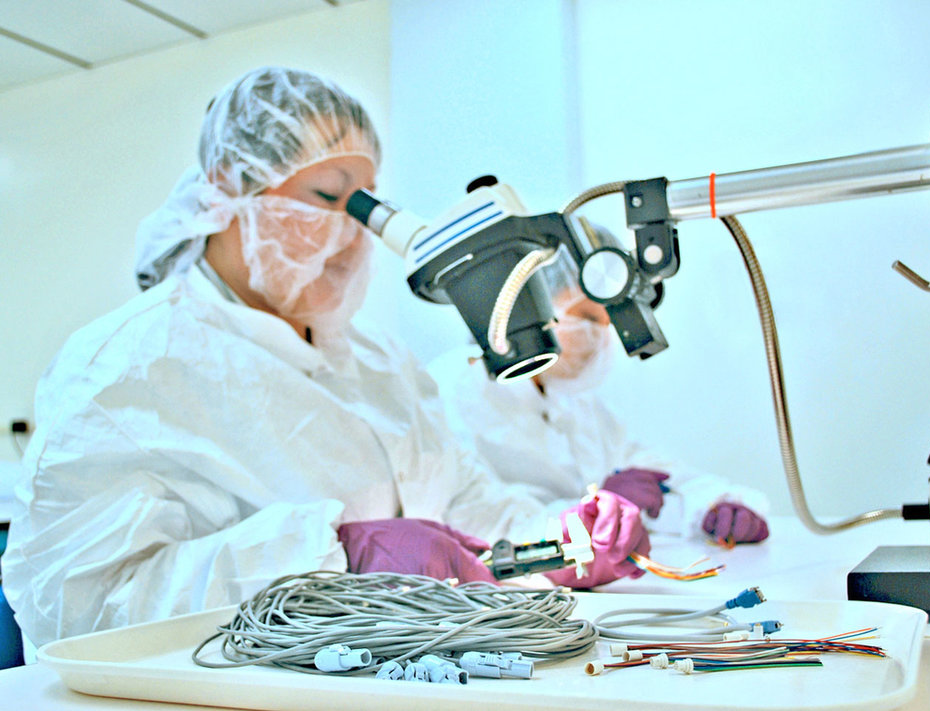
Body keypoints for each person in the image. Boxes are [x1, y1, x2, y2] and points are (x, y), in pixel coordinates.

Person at [2, 67, 647, 647]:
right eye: (329, 196)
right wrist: (330, 556)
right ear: (230, 189)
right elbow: (75, 608)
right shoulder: (126, 368)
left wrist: (560, 543)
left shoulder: (381, 362)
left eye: (367, 203)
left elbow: (468, 508)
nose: (354, 230)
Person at [427, 249, 770, 546]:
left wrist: (715, 506)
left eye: (607, 322)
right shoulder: (453, 391)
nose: (599, 338)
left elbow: (655, 473)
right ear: (527, 304)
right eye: (587, 318)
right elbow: (472, 524)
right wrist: (593, 511)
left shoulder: (572, 400)